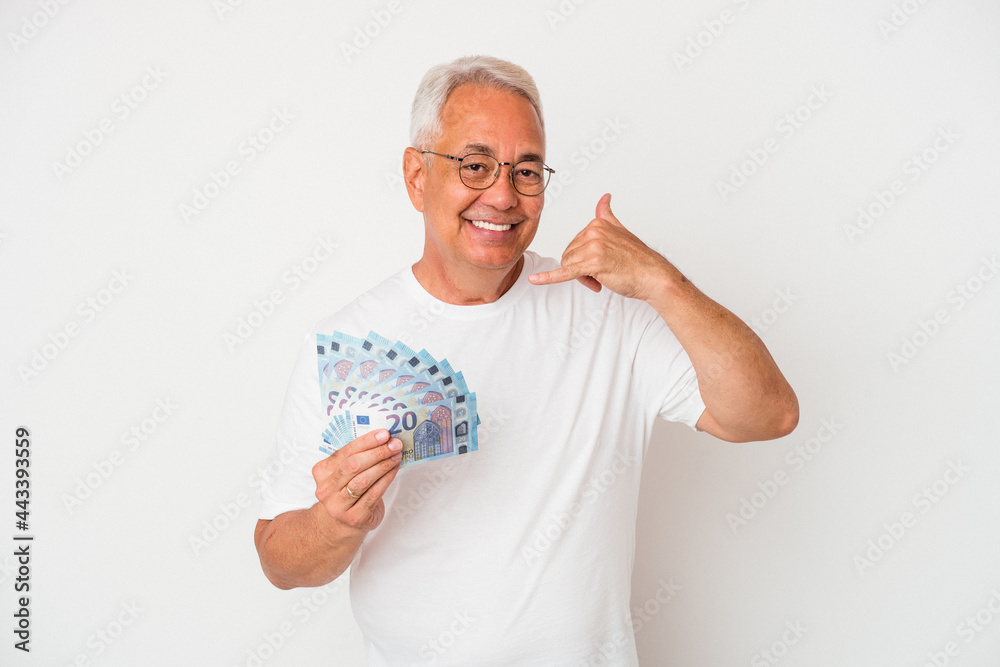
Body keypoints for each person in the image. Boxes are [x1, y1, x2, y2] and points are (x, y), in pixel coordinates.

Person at [254, 55, 797, 666]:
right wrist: (337, 522)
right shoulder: (345, 342)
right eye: (475, 165)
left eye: (527, 171)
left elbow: (767, 415)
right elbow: (280, 561)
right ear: (416, 176)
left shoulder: (608, 310)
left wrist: (661, 280)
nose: (504, 195)